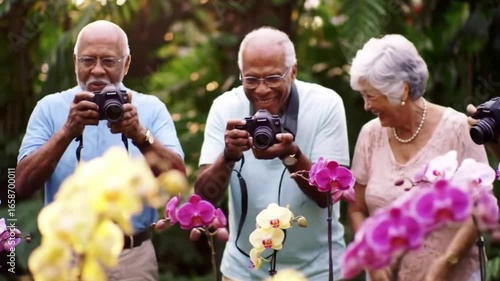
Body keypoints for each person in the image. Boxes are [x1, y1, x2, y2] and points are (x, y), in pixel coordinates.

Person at [15, 20, 185, 281]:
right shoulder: (49, 108)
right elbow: (20, 185)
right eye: (87, 60)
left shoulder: (150, 109)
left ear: (126, 64)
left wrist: (140, 135)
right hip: (68, 254)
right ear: (75, 62)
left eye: (108, 61)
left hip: (132, 256)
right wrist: (67, 131)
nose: (97, 70)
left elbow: (178, 179)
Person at [194, 26, 350, 281]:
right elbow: (203, 200)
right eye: (251, 79)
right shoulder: (225, 107)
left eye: (273, 78)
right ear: (241, 74)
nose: (262, 90)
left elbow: (329, 197)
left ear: (294, 71)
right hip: (243, 269)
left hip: (317, 270)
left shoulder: (325, 105)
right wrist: (228, 156)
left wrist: (292, 155)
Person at [347, 34, 487, 281]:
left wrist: (446, 263)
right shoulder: (370, 135)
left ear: (402, 90)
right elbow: (356, 208)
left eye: (371, 95)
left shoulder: (458, 129)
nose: (366, 106)